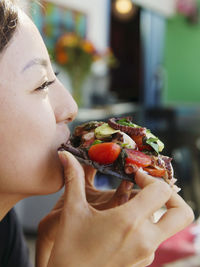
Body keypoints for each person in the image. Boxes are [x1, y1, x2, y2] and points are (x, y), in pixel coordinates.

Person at [0, 1, 194, 266]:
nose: (71, 107)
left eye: (55, 77)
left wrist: (49, 245)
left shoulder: (5, 226)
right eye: (42, 83)